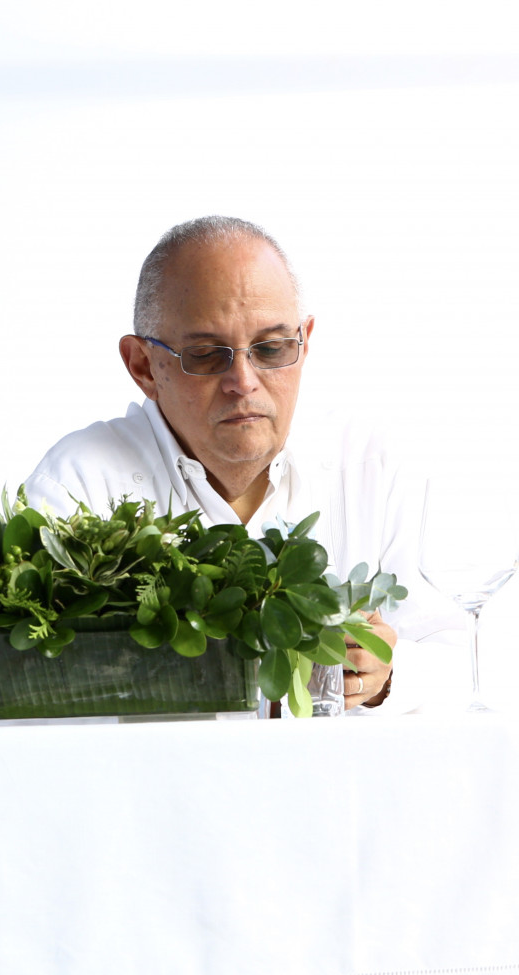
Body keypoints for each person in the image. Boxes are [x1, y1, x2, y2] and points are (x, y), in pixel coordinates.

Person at [25, 217, 461, 712]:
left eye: (272, 348)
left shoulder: (373, 466)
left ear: (304, 342)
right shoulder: (76, 485)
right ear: (143, 366)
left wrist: (387, 677)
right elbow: (34, 689)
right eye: (207, 355)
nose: (244, 381)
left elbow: (474, 656)